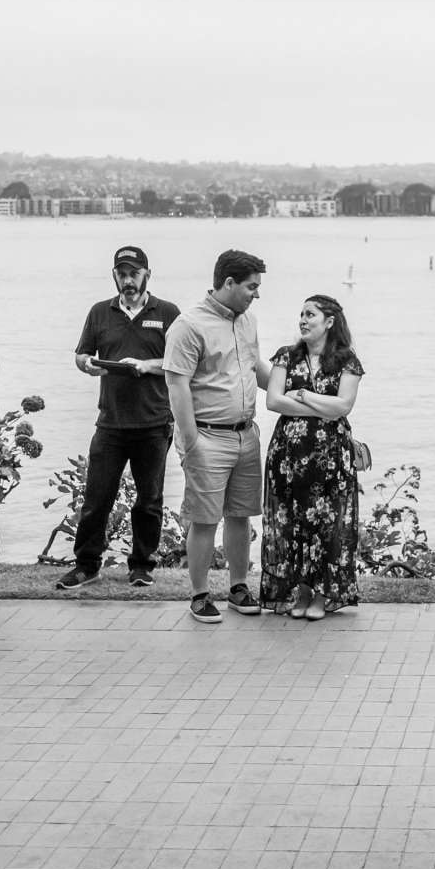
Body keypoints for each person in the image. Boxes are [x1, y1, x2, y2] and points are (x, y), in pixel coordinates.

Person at [62, 246, 181, 590]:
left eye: (134, 274)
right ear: (115, 275)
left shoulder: (168, 313)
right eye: (122, 274)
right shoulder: (100, 312)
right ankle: (86, 565)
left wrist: (146, 365)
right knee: (97, 497)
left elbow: (182, 362)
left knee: (149, 500)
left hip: (154, 423)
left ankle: (142, 566)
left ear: (147, 274)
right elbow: (82, 354)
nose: (128, 281)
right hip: (110, 423)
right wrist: (85, 363)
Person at [163, 249, 271, 624]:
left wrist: (298, 393)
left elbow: (256, 368)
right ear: (228, 283)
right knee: (205, 519)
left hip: (246, 435)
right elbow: (176, 384)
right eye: (251, 287)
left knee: (241, 515)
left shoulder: (248, 322)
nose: (256, 294)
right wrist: (191, 440)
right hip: (207, 436)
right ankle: (199, 594)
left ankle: (238, 586)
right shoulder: (188, 325)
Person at [260, 295, 364, 620]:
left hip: (331, 456)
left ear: (329, 322)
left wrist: (303, 395)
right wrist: (322, 406)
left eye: (311, 315)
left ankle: (321, 596)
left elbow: (343, 407)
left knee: (328, 525)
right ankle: (301, 593)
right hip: (288, 456)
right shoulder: (286, 357)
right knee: (292, 523)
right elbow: (274, 402)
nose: (303, 320)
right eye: (301, 314)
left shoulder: (347, 361)